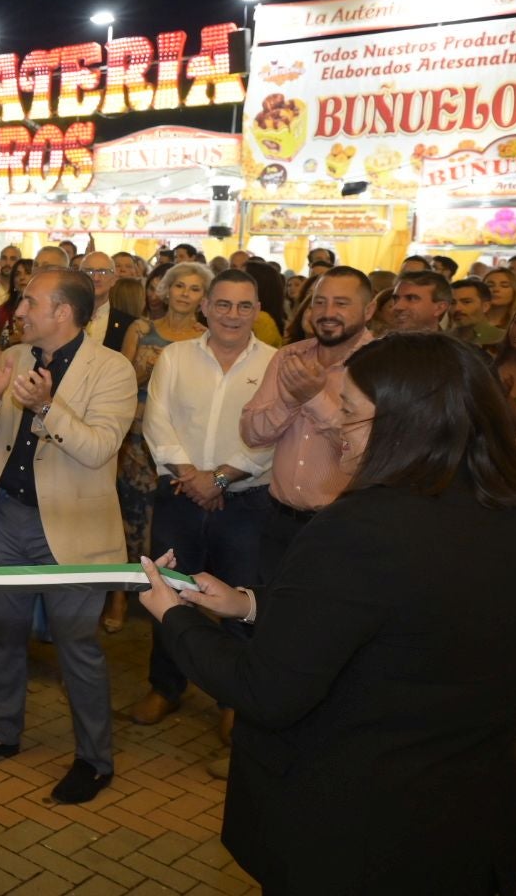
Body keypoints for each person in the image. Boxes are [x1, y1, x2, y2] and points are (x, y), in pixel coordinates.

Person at [139, 332, 516, 895]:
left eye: (349, 415)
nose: (336, 432)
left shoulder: (360, 528)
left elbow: (263, 691)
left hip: (357, 828)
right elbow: (397, 626)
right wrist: (249, 604)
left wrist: (172, 616)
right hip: (466, 819)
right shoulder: (512, 512)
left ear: (406, 422)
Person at [0, 268, 137, 804]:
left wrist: (45, 407)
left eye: (30, 301)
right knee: (5, 634)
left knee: (78, 647)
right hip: (8, 518)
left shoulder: (113, 369)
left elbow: (99, 448)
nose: (19, 309)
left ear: (63, 312)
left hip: (75, 529)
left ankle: (94, 760)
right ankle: (3, 730)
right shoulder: (12, 359)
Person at [130, 270, 274, 744]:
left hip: (245, 504)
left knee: (240, 603)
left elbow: (275, 435)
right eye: (224, 304)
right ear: (206, 307)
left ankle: (235, 700)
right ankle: (165, 686)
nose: (233, 315)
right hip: (179, 499)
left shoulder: (275, 364)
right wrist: (192, 476)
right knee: (169, 594)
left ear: (258, 310)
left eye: (244, 306)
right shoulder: (174, 357)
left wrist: (218, 479)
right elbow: (157, 422)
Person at [239, 266, 375, 585]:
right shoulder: (290, 357)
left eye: (341, 303)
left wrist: (314, 397)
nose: (327, 313)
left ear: (369, 310)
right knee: (269, 615)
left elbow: (370, 452)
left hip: (344, 526)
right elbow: (251, 433)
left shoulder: (381, 365)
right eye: (319, 302)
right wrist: (290, 400)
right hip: (279, 519)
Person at [107, 262, 208, 632]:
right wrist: (148, 368)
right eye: (178, 286)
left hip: (179, 442)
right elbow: (119, 382)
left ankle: (166, 597)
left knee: (169, 525)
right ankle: (119, 594)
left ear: (203, 297)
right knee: (129, 518)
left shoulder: (204, 338)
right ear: (165, 290)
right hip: (135, 436)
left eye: (194, 289)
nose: (184, 294)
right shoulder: (141, 329)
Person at [80, 251, 135, 352]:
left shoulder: (129, 324)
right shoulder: (64, 316)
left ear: (114, 279)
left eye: (103, 272)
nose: (96, 278)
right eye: (89, 272)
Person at [447, 278, 507, 349]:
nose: (457, 308)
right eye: (452, 303)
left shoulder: (504, 339)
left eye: (466, 302)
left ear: (485, 306)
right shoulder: (442, 340)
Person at [390, 269, 452, 333]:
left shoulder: (453, 343)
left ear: (439, 308)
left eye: (411, 298)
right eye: (396, 299)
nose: (397, 307)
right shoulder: (381, 341)